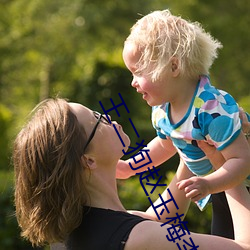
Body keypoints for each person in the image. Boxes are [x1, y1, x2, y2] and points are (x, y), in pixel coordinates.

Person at [13, 98, 250, 250]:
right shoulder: (138, 238)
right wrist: (226, 164)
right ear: (88, 160)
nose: (108, 118)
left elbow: (158, 220)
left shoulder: (80, 231)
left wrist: (191, 136)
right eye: (97, 120)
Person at [120, 9, 250, 239]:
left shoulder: (211, 109)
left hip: (239, 186)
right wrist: (130, 166)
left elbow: (242, 160)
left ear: (173, 67)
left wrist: (209, 184)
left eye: (138, 72)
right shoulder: (162, 110)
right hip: (220, 189)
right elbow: (165, 145)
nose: (133, 82)